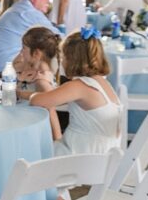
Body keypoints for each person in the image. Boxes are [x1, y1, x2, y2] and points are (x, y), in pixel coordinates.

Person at [30, 28, 121, 163]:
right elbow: (57, 97)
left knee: (28, 149)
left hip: (80, 158)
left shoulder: (79, 86)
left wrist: (42, 82)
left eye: (63, 57)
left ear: (72, 59)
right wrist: (21, 93)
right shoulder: (101, 82)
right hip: (104, 156)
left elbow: (37, 101)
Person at [0, 0, 57, 72]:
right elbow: (58, 37)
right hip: (7, 70)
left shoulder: (19, 8)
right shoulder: (28, 12)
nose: (48, 1)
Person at [11, 26, 60, 98]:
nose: (21, 52)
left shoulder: (41, 75)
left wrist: (19, 94)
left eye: (24, 48)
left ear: (36, 53)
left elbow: (49, 97)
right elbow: (14, 66)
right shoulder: (32, 66)